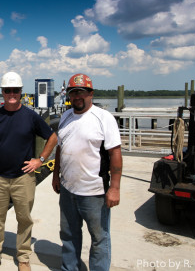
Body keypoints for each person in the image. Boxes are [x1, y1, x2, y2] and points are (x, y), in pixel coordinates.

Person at [0, 72, 58, 271]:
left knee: (24, 219)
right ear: (2, 93)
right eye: (7, 91)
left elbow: (53, 137)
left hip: (24, 177)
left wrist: (40, 160)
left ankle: (23, 258)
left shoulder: (31, 116)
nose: (11, 94)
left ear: (21, 92)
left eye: (15, 90)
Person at [52, 73, 123, 271]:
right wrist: (55, 175)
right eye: (73, 93)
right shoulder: (65, 116)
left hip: (95, 193)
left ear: (90, 93)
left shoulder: (103, 118)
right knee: (68, 235)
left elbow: (115, 153)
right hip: (68, 190)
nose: (77, 97)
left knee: (99, 239)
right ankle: (70, 268)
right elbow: (60, 148)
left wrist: (115, 188)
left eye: (81, 92)